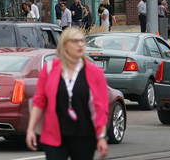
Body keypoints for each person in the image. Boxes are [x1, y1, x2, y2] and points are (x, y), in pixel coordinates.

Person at [25, 27, 110, 160]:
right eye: (75, 41)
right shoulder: (49, 70)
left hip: (84, 135)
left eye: (82, 41)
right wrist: (31, 129)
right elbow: (39, 101)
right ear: (64, 45)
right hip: (54, 135)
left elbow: (101, 108)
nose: (80, 44)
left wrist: (101, 137)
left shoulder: (95, 73)